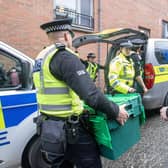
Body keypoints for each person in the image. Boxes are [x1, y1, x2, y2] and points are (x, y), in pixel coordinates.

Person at [33, 18, 129, 168]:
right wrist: (116, 111)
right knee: (90, 163)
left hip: (49, 128)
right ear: (66, 36)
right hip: (70, 130)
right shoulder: (65, 56)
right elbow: (92, 95)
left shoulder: (40, 58)